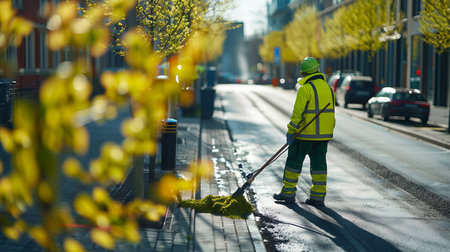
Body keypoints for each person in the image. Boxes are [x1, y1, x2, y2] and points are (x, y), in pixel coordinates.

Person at [273, 57, 336, 207]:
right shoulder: (328, 88)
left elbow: (297, 115)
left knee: (294, 163)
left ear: (304, 74)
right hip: (322, 137)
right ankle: (318, 197)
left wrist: (291, 132)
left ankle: (288, 193)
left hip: (304, 135)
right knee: (319, 166)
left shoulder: (305, 89)